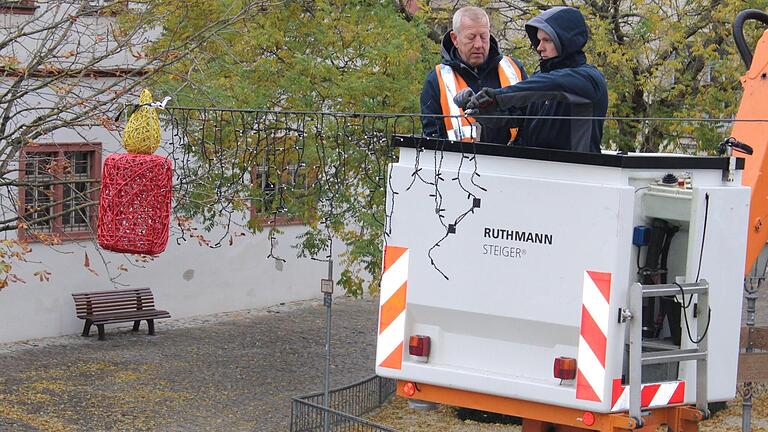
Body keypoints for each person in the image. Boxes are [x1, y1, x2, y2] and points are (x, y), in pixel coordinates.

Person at [464, 6, 608, 153]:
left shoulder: (588, 79)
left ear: (566, 41)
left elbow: (554, 85)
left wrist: (497, 97)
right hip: (532, 170)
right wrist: (478, 109)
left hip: (574, 172)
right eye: (538, 40)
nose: (539, 47)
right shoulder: (540, 77)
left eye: (547, 40)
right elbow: (514, 117)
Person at [420, 6, 528, 144]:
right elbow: (432, 137)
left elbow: (530, 121)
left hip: (512, 161)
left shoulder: (513, 68)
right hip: (457, 162)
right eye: (471, 38)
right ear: (455, 39)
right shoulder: (437, 79)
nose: (478, 44)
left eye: (483, 37)